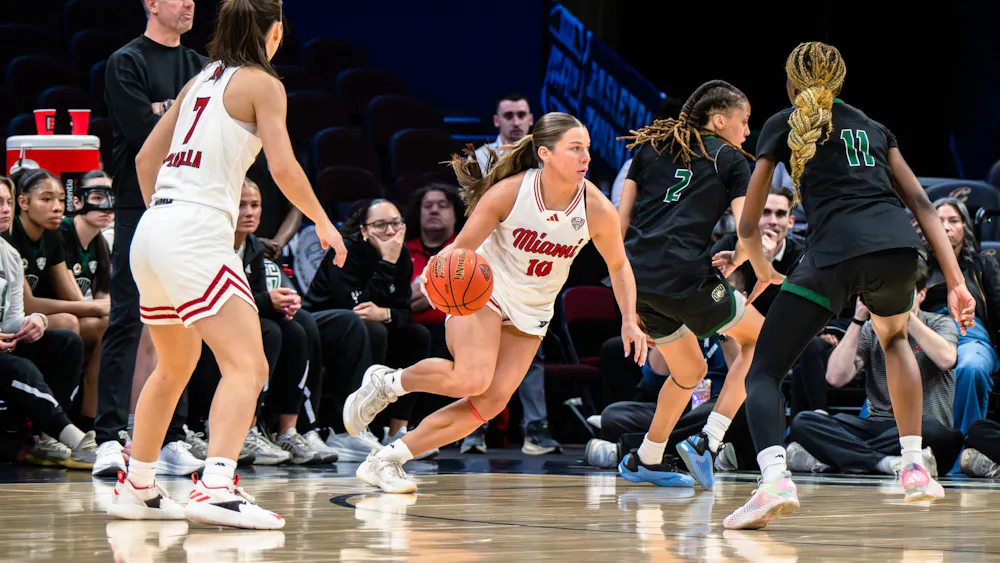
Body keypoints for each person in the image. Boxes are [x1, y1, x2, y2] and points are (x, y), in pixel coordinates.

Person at [106, 0, 346, 529]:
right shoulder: (264, 83)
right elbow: (281, 166)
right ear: (276, 32)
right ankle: (215, 485)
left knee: (173, 367)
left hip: (154, 229)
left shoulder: (200, 79)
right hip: (193, 231)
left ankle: (138, 486)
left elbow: (146, 160)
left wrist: (165, 218)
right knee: (249, 365)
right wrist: (324, 221)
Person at [725, 41, 975, 530]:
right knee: (896, 336)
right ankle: (915, 467)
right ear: (840, 82)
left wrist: (759, 267)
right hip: (899, 251)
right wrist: (958, 281)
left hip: (833, 255)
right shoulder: (875, 126)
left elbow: (750, 221)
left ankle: (774, 479)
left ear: (792, 82)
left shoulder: (782, 122)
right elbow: (924, 204)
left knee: (763, 371)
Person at [342, 111, 647, 493]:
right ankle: (388, 382)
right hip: (484, 290)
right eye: (575, 148)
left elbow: (619, 265)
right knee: (471, 377)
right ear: (545, 154)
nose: (586, 157)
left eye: (587, 148)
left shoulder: (596, 208)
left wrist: (629, 320)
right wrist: (438, 279)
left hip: (534, 308)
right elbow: (460, 250)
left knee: (489, 403)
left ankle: (387, 459)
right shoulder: (511, 192)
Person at [614, 80, 765, 491]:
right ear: (719, 120)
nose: (748, 131)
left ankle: (645, 457)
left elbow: (618, 225)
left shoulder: (648, 149)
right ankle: (708, 440)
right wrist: (749, 261)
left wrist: (627, 299)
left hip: (639, 280)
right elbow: (746, 227)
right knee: (762, 342)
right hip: (684, 278)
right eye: (744, 121)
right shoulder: (731, 159)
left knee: (691, 370)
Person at [95, 0, 205, 478]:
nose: (188, 4)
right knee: (126, 318)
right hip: (138, 203)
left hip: (189, 203)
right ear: (151, 4)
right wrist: (176, 112)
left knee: (183, 322)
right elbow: (145, 132)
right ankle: (107, 436)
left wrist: (168, 111)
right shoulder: (126, 61)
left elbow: (204, 132)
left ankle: (172, 437)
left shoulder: (201, 66)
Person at [788, 257, 963, 476]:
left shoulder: (939, 323)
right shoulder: (871, 329)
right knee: (804, 422)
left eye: (902, 291)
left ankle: (840, 458)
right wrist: (858, 320)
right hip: (878, 426)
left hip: (923, 426)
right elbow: (835, 377)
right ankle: (885, 463)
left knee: (944, 435)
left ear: (921, 295)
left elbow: (946, 359)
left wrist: (903, 314)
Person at [304, 199, 434, 453]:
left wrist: (386, 313)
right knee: (369, 329)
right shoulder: (346, 251)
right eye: (380, 225)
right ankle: (346, 429)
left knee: (417, 335)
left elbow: (403, 311)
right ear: (363, 231)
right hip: (326, 324)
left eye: (396, 223)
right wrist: (386, 262)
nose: (390, 231)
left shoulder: (402, 254)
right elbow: (357, 308)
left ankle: (397, 431)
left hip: (364, 324)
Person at [0, 175, 97, 469]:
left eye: (6, 202)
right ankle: (77, 440)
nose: (5, 210)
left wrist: (38, 320)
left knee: (66, 341)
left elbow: (14, 318)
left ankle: (46, 438)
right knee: (20, 368)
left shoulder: (10, 256)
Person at [924, 197, 999, 433]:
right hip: (929, 335)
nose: (945, 226)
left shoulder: (983, 264)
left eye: (953, 220)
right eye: (938, 220)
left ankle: (964, 450)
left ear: (965, 228)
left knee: (972, 368)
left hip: (971, 334)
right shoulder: (917, 265)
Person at [60, 170, 114, 428]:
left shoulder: (99, 242)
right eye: (97, 197)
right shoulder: (62, 233)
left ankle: (94, 421)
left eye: (111, 197)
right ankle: (87, 421)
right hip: (52, 318)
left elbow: (102, 294)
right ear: (78, 201)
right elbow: (73, 297)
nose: (107, 206)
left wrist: (108, 308)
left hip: (78, 317)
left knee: (117, 328)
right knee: (107, 325)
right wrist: (105, 308)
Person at [474, 92, 534, 176]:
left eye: (521, 115)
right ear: (496, 121)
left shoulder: (543, 155)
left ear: (531, 119)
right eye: (508, 116)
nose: (516, 123)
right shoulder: (480, 157)